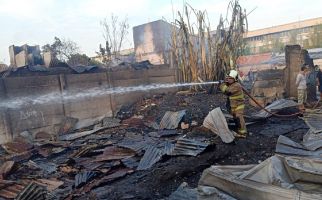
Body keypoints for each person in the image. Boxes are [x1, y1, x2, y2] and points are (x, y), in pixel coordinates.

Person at [220, 69, 247, 138]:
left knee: (238, 117)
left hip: (239, 105)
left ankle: (243, 133)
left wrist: (222, 84)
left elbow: (227, 92)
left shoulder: (236, 85)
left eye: (230, 78)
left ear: (235, 79)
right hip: (233, 105)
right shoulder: (230, 84)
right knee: (235, 118)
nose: (228, 79)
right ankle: (238, 129)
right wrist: (225, 84)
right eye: (227, 78)